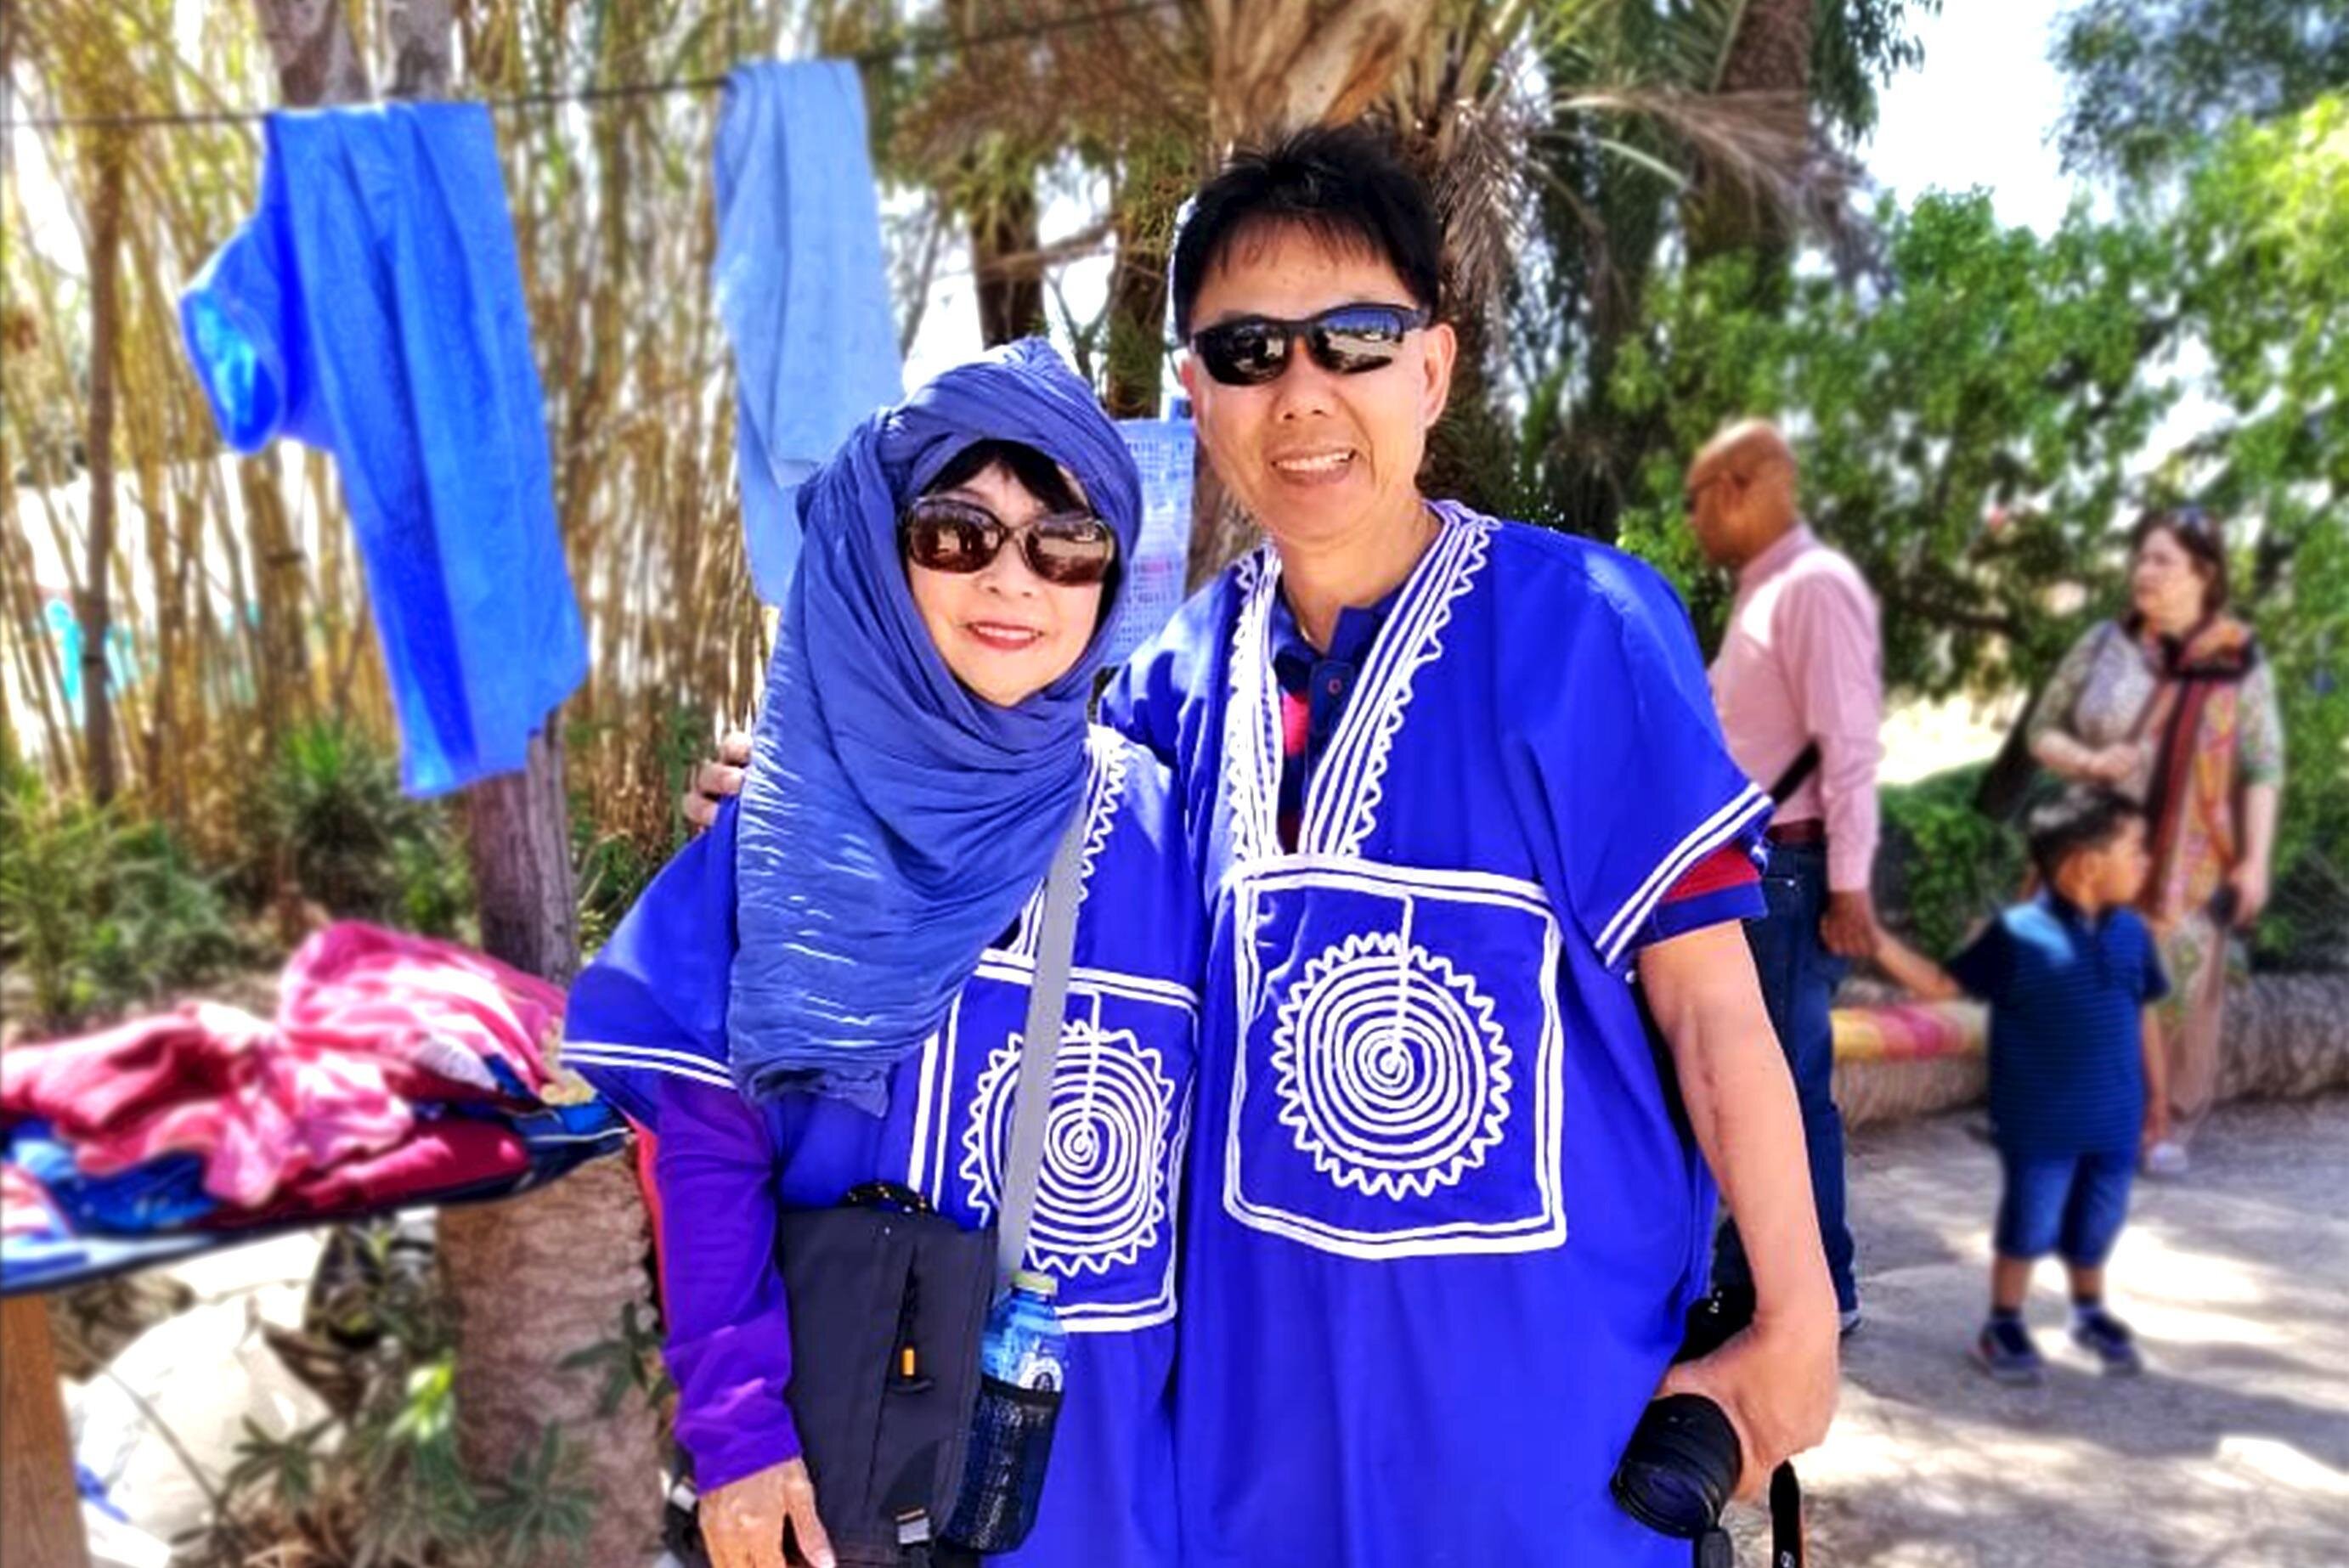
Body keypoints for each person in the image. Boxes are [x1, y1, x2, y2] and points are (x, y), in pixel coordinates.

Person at [693, 126, 1838, 1567]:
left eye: (1354, 340)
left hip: (1544, 1461)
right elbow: (1008, 880)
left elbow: (1715, 1013)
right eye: (1247, 351)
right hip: (1242, 1474)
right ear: (1195, 392)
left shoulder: (1583, 634)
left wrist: (1797, 1324)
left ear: (1433, 369)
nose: (1301, 391)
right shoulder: (1168, 687)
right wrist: (827, 799)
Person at [569, 341, 1201, 1568]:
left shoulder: (1167, 829)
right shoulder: (788, 817)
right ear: (883, 548)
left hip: (1098, 1481)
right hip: (839, 1480)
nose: (1013, 579)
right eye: (959, 532)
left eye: (1066, 542)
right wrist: (737, 1437)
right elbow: (707, 1149)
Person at [1684, 420, 1883, 1334]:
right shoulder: (1765, 592)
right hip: (1757, 869)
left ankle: (1820, 1288)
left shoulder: (1812, 587)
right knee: (1749, 1082)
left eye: (1697, 501)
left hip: (1793, 873)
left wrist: (1849, 885)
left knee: (1788, 1087)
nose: (1693, 521)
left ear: (1743, 485)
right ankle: (1751, 1276)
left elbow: (1848, 743)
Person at [1870, 790, 2170, 1385]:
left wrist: (2158, 1097)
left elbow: (2145, 1017)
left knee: (2096, 1225)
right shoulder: (2018, 936)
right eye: (2135, 849)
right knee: (2030, 1225)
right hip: (2041, 1125)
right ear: (2086, 863)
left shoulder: (2132, 935)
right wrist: (1874, 937)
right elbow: (1939, 984)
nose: (2146, 862)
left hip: (2115, 1119)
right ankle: (2003, 1322)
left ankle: (2088, 1311)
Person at [2024, 507, 2285, 1176]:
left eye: (2161, 560)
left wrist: (2255, 861)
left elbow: (2261, 765)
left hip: (2188, 860)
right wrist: (2088, 761)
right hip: (2094, 846)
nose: (2143, 571)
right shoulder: (2103, 644)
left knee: (2169, 987)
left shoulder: (2235, 657)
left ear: (2202, 573)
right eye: (2140, 557)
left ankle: (2160, 1122)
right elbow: (2041, 731)